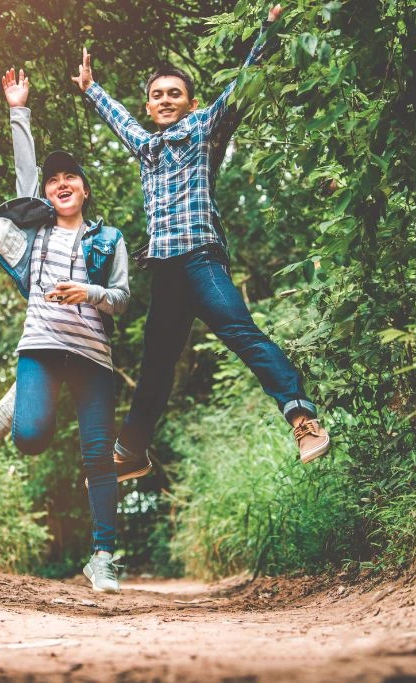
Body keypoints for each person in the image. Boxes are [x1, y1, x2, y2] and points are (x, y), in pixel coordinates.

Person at [73, 4, 331, 469]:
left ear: (191, 103)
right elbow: (119, 120)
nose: (166, 99)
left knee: (241, 332)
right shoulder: (147, 147)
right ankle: (131, 450)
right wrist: (92, 90)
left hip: (202, 261)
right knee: (155, 365)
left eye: (175, 93)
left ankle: (301, 418)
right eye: (158, 95)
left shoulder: (203, 128)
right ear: (149, 107)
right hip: (166, 274)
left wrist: (268, 28)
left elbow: (241, 86)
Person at [0, 68, 130, 592]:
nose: (61, 184)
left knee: (97, 454)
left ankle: (104, 557)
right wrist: (18, 110)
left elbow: (123, 302)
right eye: (54, 180)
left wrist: (89, 293)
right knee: (32, 438)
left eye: (71, 178)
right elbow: (24, 178)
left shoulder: (109, 239)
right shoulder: (38, 229)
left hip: (92, 356)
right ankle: (21, 395)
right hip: (41, 346)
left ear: (85, 190)